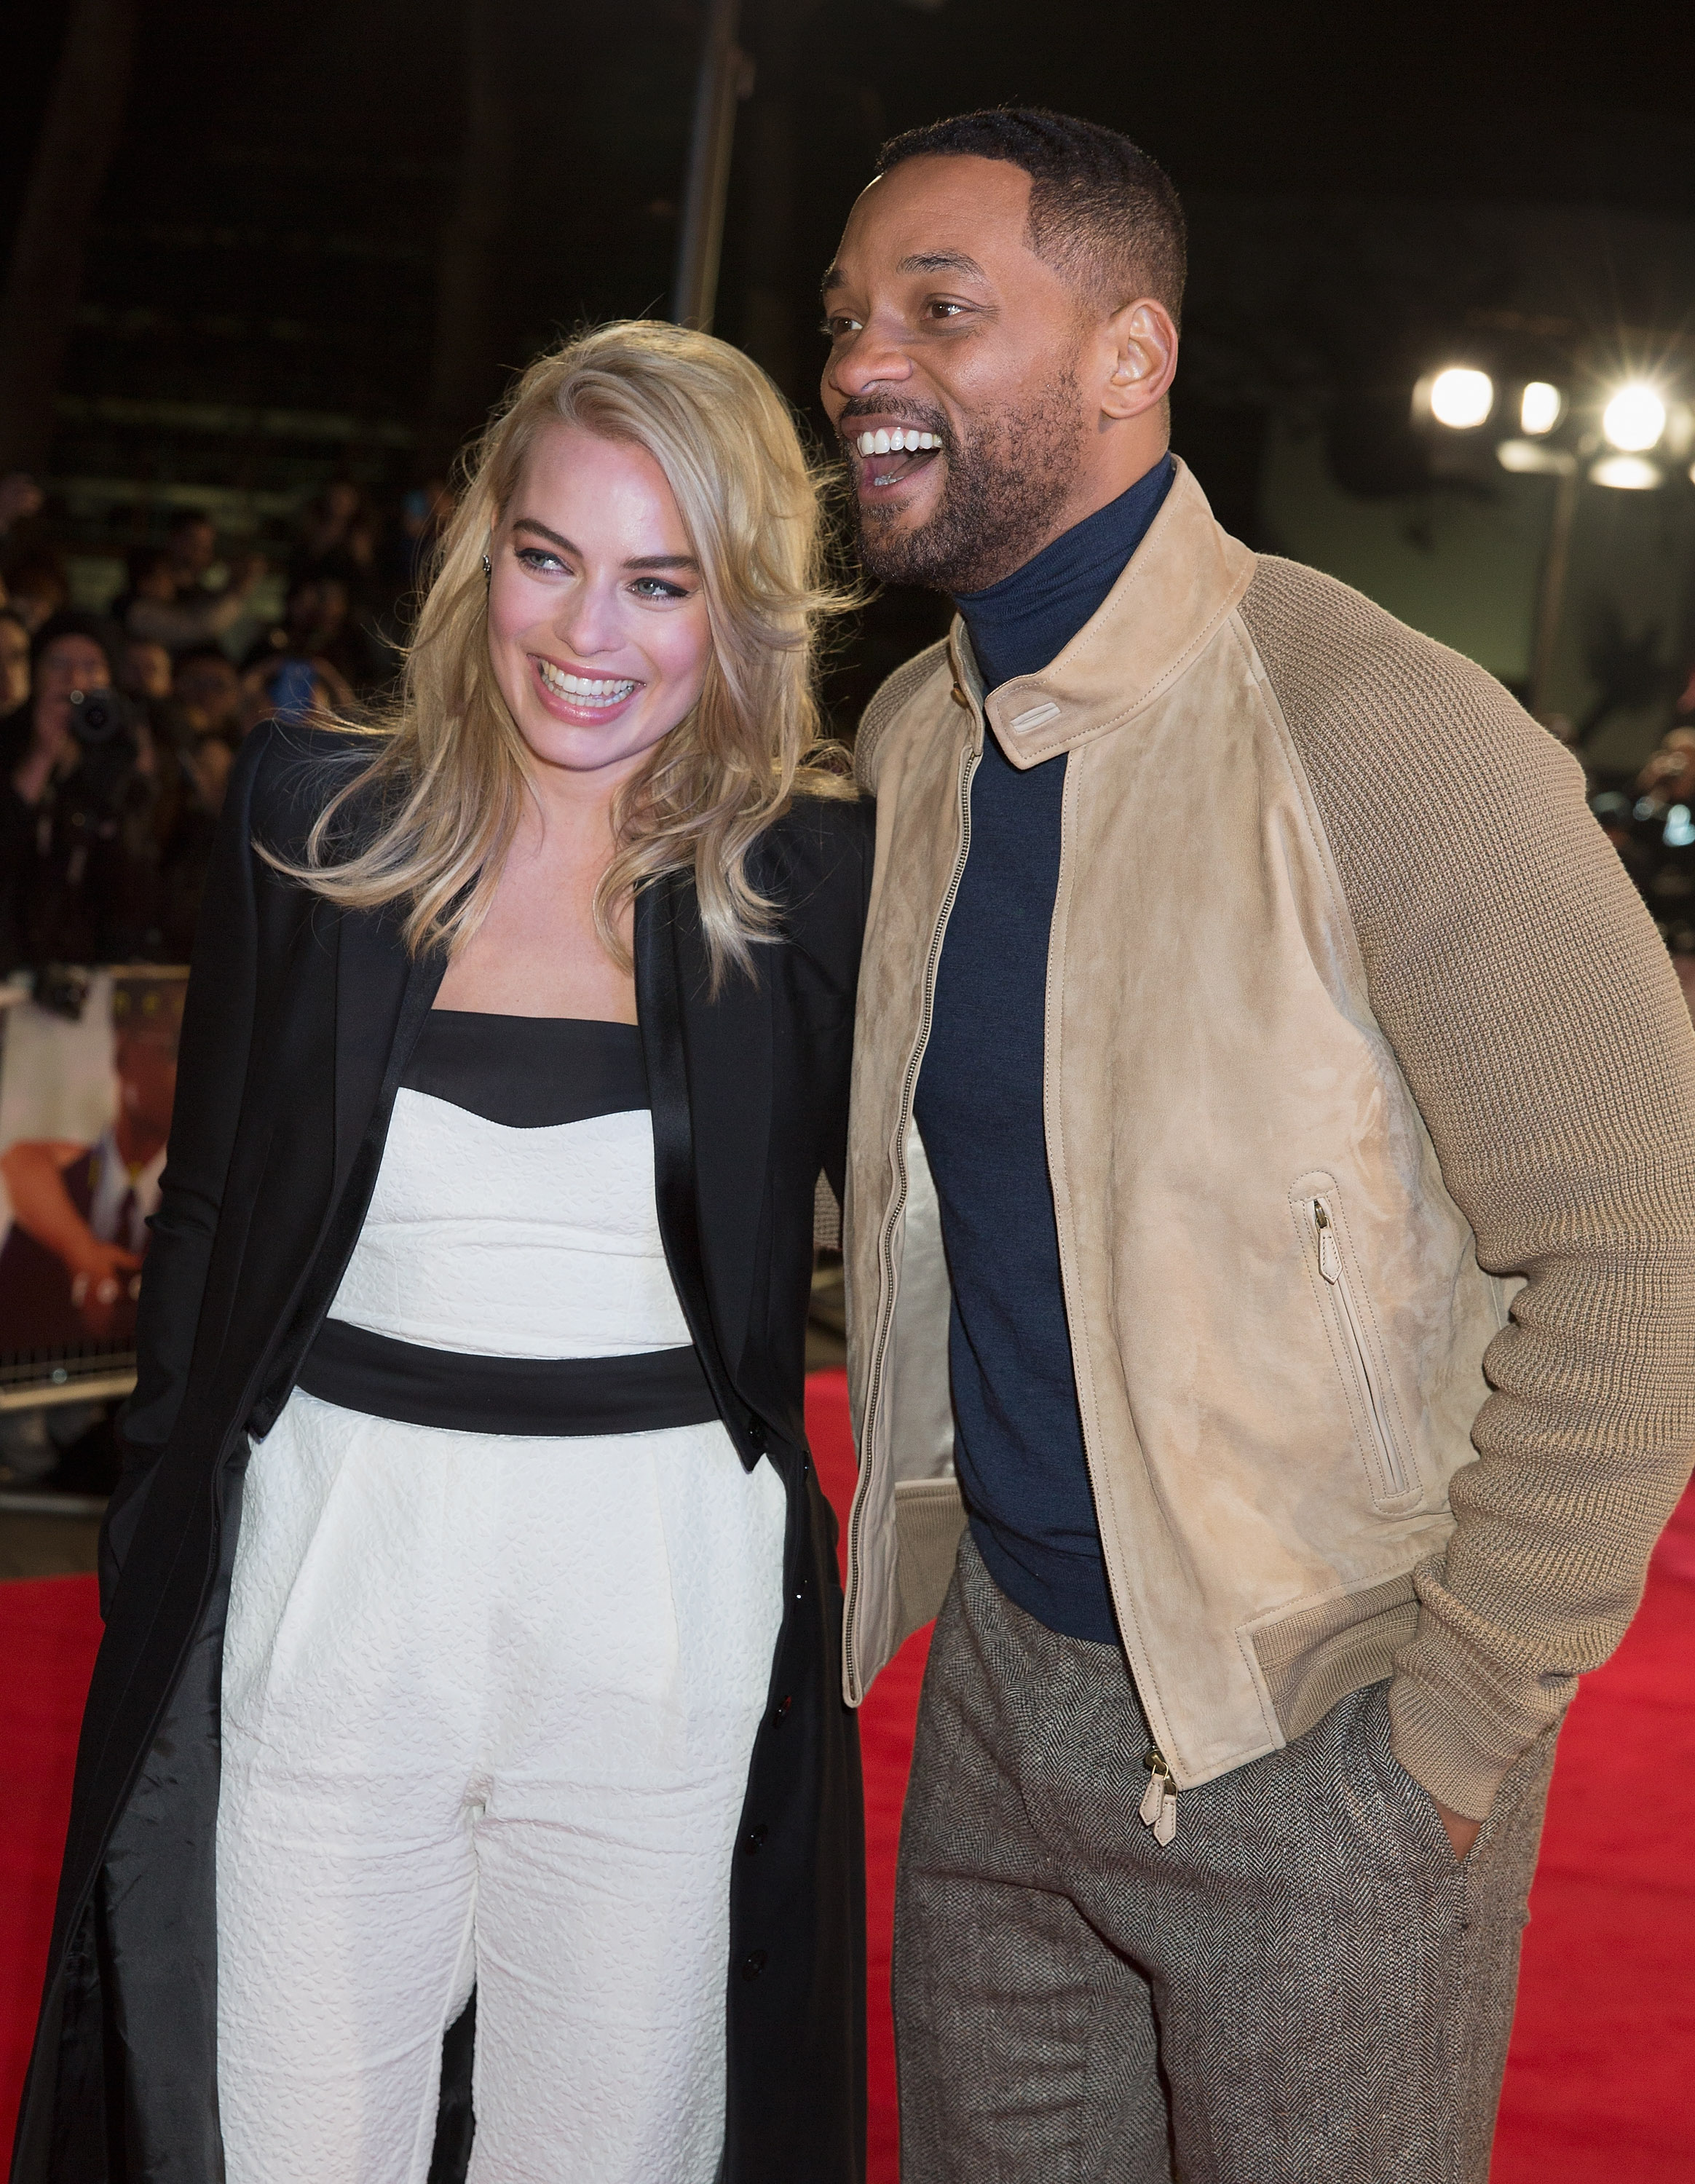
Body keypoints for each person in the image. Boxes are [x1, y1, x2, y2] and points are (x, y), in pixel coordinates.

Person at [821, 108, 1695, 2184]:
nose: (862, 363)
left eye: (942, 308)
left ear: (1130, 353)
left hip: (1326, 1730)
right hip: (1000, 1700)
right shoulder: (914, 740)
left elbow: (1650, 1232)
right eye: (847, 315)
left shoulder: (1374, 719)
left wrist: (1446, 1732)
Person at [13, 320, 871, 2184]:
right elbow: (211, 1212)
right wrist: (160, 1534)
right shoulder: (318, 816)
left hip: (654, 1599)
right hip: (344, 1566)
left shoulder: (811, 877)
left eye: (659, 582)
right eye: (550, 557)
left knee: (605, 2150)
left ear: (737, 609)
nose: (586, 633)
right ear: (485, 550)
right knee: (287, 2141)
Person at [0, 970, 183, 1355]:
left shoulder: (191, 1196)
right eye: (174, 1049)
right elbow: (23, 1160)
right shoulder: (65, 1181)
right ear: (123, 1050)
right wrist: (83, 1253)